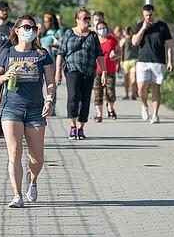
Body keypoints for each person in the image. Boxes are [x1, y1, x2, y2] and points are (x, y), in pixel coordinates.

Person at [0, 15, 55, 208]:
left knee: (37, 157)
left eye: (33, 27)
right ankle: (17, 195)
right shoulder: (8, 53)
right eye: (26, 27)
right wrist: (4, 77)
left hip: (36, 109)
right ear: (17, 30)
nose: (30, 30)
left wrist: (50, 99)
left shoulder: (42, 54)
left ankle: (33, 180)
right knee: (14, 152)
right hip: (11, 108)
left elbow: (51, 81)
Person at [56, 8, 107, 140]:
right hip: (72, 69)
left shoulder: (93, 35)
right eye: (84, 18)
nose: (86, 21)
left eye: (87, 18)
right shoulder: (69, 33)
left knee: (85, 99)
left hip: (89, 71)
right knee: (73, 96)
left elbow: (100, 54)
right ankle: (73, 127)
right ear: (77, 20)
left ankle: (81, 128)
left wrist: (104, 72)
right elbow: (60, 53)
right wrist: (58, 73)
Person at [131, 4, 174, 124]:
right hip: (143, 62)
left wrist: (170, 61)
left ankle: (155, 114)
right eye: (146, 15)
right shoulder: (140, 26)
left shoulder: (162, 26)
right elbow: (134, 42)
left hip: (158, 62)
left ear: (154, 13)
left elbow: (169, 45)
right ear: (143, 15)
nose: (148, 17)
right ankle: (144, 106)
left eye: (150, 14)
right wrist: (144, 28)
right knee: (141, 89)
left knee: (156, 89)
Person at [93, 21, 120, 122]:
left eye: (104, 28)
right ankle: (99, 115)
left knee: (110, 92)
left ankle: (111, 108)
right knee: (97, 92)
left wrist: (115, 57)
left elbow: (119, 52)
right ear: (96, 30)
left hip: (110, 70)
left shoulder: (112, 40)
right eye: (99, 28)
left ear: (107, 29)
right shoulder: (94, 41)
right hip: (97, 71)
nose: (102, 30)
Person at [39, 13, 62, 115]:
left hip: (52, 59)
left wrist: (53, 45)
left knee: (51, 82)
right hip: (40, 59)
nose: (45, 24)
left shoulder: (57, 32)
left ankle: (52, 105)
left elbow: (62, 45)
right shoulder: (43, 33)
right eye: (44, 22)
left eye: (47, 21)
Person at [120, 26, 139, 100]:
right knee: (128, 79)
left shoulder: (131, 40)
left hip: (131, 60)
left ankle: (131, 94)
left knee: (131, 79)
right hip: (127, 61)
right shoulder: (125, 40)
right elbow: (121, 51)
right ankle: (129, 94)